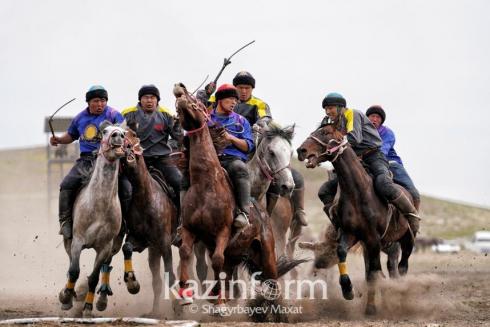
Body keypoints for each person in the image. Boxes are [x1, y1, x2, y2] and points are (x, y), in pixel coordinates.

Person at [198, 71, 308, 226]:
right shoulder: (222, 101)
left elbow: (266, 119)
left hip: (253, 147)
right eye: (240, 87)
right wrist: (206, 92)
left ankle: (271, 215)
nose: (243, 91)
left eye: (247, 88)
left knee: (280, 175)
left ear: (252, 89)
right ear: (234, 87)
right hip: (220, 149)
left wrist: (260, 124)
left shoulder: (260, 105)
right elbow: (199, 106)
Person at [317, 93, 420, 233]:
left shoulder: (353, 114)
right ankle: (339, 226)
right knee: (325, 190)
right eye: (326, 109)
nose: (328, 111)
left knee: (383, 183)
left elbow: (354, 139)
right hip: (357, 159)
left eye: (330, 108)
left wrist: (333, 148)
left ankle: (411, 216)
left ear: (341, 107)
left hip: (376, 157)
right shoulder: (337, 122)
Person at [50, 85, 130, 240]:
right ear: (88, 102)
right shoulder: (80, 118)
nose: (100, 104)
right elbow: (71, 135)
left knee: (127, 188)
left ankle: (124, 224)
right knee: (66, 184)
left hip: (111, 161)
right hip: (86, 160)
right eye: (96, 101)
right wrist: (59, 139)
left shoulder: (114, 115)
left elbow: (124, 134)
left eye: (103, 101)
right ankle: (65, 222)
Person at [121, 84, 183, 213]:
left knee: (179, 182)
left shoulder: (166, 114)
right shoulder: (128, 114)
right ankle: (123, 222)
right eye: (146, 97)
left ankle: (181, 217)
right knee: (124, 187)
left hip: (161, 159)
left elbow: (179, 138)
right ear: (140, 100)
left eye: (153, 97)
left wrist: (178, 124)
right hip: (136, 160)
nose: (149, 100)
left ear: (157, 100)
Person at [365, 105, 420, 208]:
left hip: (390, 163)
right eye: (372, 116)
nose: (375, 119)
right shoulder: (361, 132)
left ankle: (413, 218)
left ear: (381, 121)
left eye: (378, 117)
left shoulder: (387, 133)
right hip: (366, 162)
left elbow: (382, 151)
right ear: (367, 118)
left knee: (414, 193)